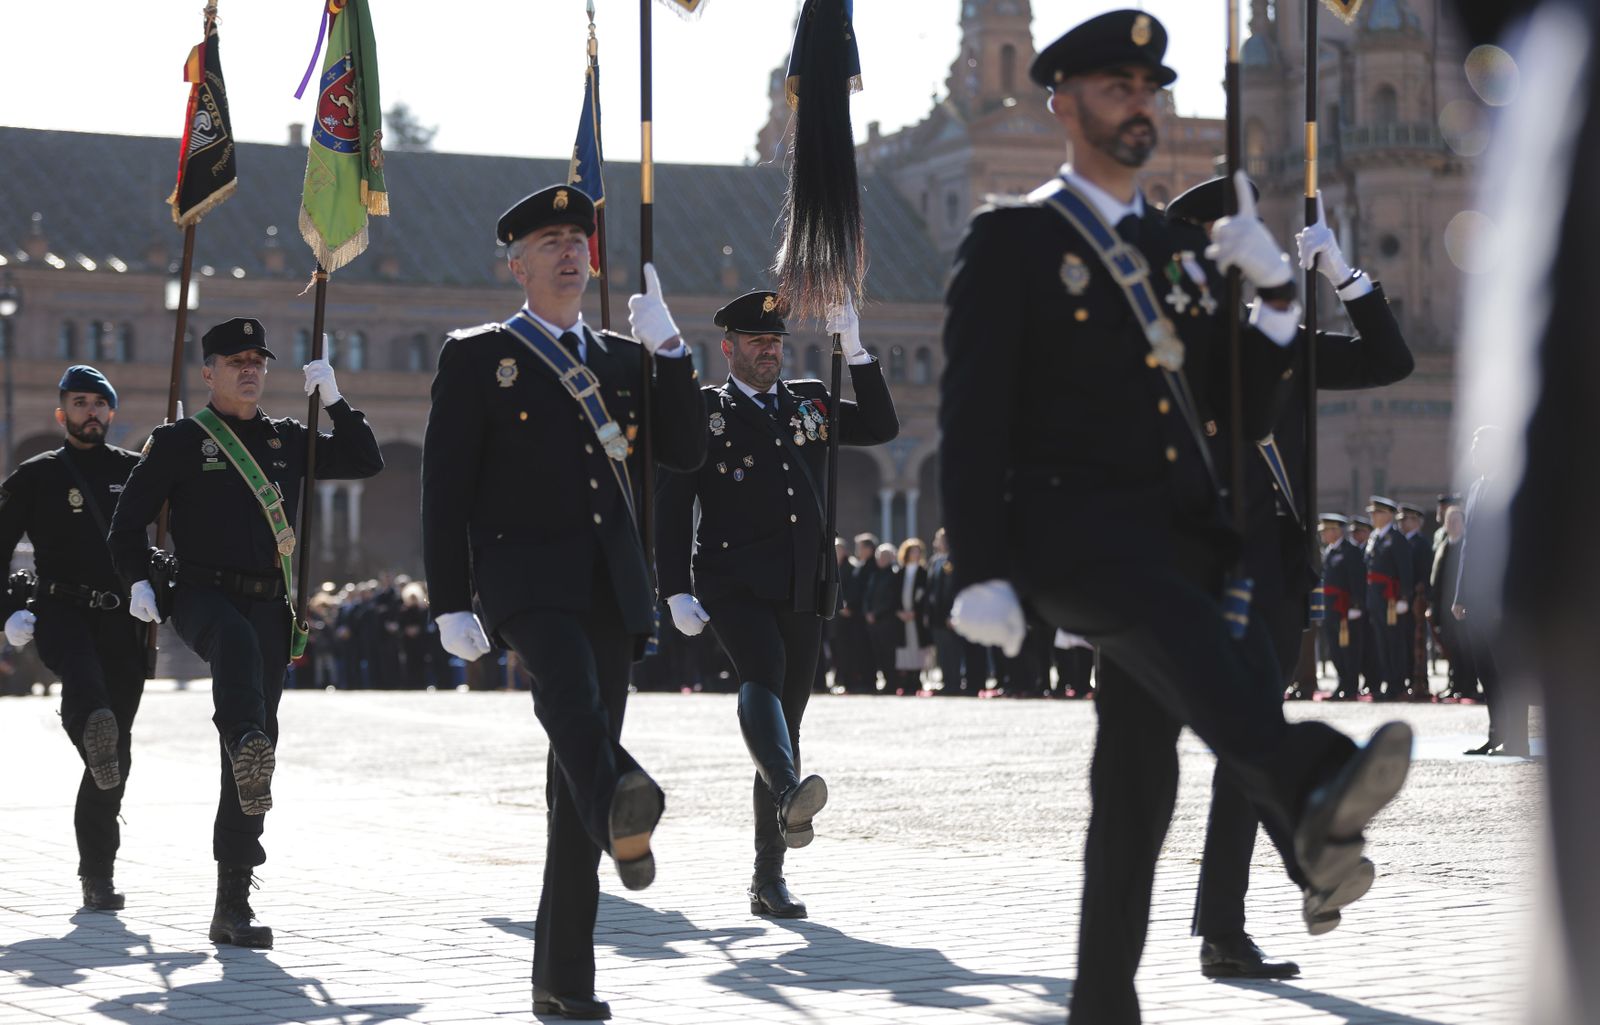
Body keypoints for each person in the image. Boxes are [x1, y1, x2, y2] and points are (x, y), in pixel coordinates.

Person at [936, 12, 1413, 1023]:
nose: (1138, 105)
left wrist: (1282, 298)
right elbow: (972, 409)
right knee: (1205, 650)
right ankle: (1312, 779)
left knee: (1134, 789)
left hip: (1174, 534)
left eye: (1148, 88)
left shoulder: (1175, 250)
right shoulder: (1014, 237)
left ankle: (1102, 1001)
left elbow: (1232, 390)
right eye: (1115, 88)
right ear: (1062, 103)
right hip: (1068, 529)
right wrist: (975, 562)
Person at [420, 184, 705, 1020]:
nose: (569, 252)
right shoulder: (478, 354)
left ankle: (564, 980)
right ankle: (629, 790)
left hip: (610, 584)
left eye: (578, 239)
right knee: (573, 701)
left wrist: (676, 354)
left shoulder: (624, 357)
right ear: (517, 264)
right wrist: (448, 598)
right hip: (522, 581)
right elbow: (445, 486)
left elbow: (684, 452)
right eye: (549, 241)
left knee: (571, 788)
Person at [1168, 180, 1414, 977]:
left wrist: (1343, 275)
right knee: (1251, 736)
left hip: (1278, 571)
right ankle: (1307, 867)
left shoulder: (1288, 341)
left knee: (1250, 740)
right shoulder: (1174, 348)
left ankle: (1231, 924)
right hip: (1211, 572)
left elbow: (1390, 359)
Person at [109, 318, 382, 948]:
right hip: (202, 594)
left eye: (258, 359)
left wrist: (336, 402)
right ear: (209, 372)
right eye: (236, 360)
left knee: (258, 749)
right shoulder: (179, 441)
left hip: (268, 603)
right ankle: (244, 740)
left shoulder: (287, 440)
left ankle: (232, 902)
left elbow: (365, 460)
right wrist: (137, 582)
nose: (250, 369)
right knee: (233, 664)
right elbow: (126, 527)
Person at [657, 287, 897, 920]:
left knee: (786, 726)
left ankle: (769, 876)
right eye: (758, 343)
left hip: (802, 581)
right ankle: (790, 791)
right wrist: (673, 586)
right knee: (761, 673)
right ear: (728, 348)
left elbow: (881, 427)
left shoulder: (811, 400)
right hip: (731, 579)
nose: (770, 352)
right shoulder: (704, 413)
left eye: (777, 342)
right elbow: (672, 502)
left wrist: (858, 351)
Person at [0, 366, 145, 911]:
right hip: (61, 609)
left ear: (112, 411)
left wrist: (182, 451)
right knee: (84, 685)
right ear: (62, 414)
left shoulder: (137, 471)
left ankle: (97, 874)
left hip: (124, 617)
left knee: (113, 759)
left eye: (98, 403)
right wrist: (7, 612)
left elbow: (183, 521)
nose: (89, 412)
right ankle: (89, 726)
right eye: (78, 402)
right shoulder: (35, 475)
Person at [1452, 426, 1527, 756]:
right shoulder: (1476, 488)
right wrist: (1459, 595)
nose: (1473, 452)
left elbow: (1514, 545)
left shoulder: (1511, 485)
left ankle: (1518, 738)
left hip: (1502, 599)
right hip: (1476, 598)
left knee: (1509, 670)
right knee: (1486, 669)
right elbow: (1467, 547)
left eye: (1479, 446)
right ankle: (1496, 734)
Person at [1363, 496, 1415, 701]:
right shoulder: (1374, 537)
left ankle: (1397, 683)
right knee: (1381, 642)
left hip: (1392, 599)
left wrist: (1404, 596)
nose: (1373, 516)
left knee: (1394, 642)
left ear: (1388, 515)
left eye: (1377, 513)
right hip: (1376, 598)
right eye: (1372, 513)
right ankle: (1387, 681)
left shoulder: (1396, 538)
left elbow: (1405, 570)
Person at [926, 527, 986, 696]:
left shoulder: (955, 560)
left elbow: (953, 589)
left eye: (943, 539)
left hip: (950, 614)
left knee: (953, 650)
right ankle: (947, 681)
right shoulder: (935, 561)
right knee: (943, 651)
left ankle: (954, 683)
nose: (939, 542)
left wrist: (951, 613)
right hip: (936, 616)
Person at [1317, 515, 1366, 701]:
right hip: (1331, 609)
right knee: (1334, 649)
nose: (1322, 534)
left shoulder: (1350, 551)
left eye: (1325, 530)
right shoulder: (1329, 551)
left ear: (1336, 531)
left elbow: (1357, 580)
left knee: (1349, 648)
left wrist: (1356, 605)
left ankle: (1351, 685)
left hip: (1346, 608)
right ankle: (1342, 682)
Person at [891, 537, 930, 693]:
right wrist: (899, 612)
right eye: (912, 551)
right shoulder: (900, 572)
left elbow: (925, 595)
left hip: (916, 618)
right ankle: (906, 680)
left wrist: (916, 612)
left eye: (918, 551)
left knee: (916, 646)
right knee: (904, 648)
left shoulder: (923, 572)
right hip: (902, 617)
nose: (915, 554)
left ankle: (916, 679)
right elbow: (893, 594)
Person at [862, 542, 901, 692]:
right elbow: (867, 596)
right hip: (873, 622)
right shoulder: (874, 574)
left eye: (885, 556)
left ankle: (892, 683)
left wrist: (876, 613)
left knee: (889, 654)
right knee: (878, 654)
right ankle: (885, 681)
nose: (881, 559)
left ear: (892, 557)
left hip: (887, 621)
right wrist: (868, 612)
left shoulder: (895, 574)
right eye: (879, 556)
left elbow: (891, 599)